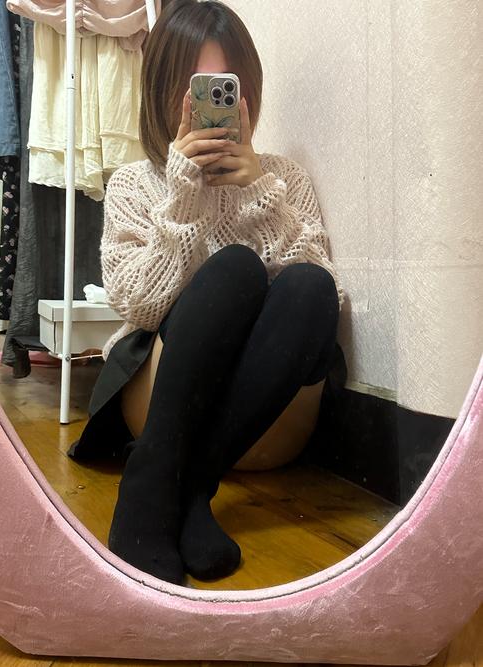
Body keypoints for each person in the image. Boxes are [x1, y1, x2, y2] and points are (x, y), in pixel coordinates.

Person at [68, 0, 345, 586]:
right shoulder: (134, 184)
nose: (210, 107)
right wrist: (185, 195)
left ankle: (186, 486)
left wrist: (260, 195)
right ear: (164, 92)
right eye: (196, 89)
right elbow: (140, 304)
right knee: (235, 270)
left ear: (247, 94)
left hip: (263, 401)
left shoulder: (283, 178)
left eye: (226, 87)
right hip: (162, 385)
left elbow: (321, 301)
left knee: (311, 284)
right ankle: (158, 474)